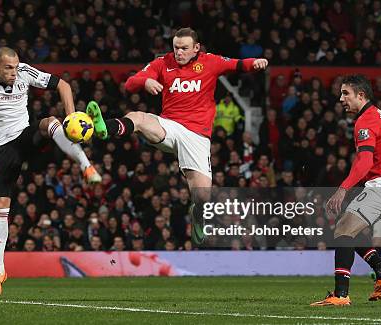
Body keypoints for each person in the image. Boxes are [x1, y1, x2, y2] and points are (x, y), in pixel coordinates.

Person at [85, 27, 268, 244]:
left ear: (196, 48)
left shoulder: (210, 61)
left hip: (197, 136)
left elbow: (237, 64)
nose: (179, 52)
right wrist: (146, 81)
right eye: (176, 48)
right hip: (169, 126)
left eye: (184, 48)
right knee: (139, 118)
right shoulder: (163, 63)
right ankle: (104, 129)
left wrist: (255, 63)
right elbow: (130, 83)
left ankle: (198, 217)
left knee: (202, 196)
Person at [0, 47, 99, 299]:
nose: (14, 72)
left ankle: (86, 164)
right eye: (8, 68)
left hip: (24, 137)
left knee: (49, 122)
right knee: (0, 205)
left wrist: (72, 116)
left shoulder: (24, 73)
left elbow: (63, 84)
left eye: (16, 66)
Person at [312, 74, 381, 306]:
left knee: (343, 230)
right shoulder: (378, 115)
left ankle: (340, 296)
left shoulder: (365, 122)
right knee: (350, 228)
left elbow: (364, 163)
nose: (341, 98)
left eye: (346, 93)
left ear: (361, 95)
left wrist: (342, 189)